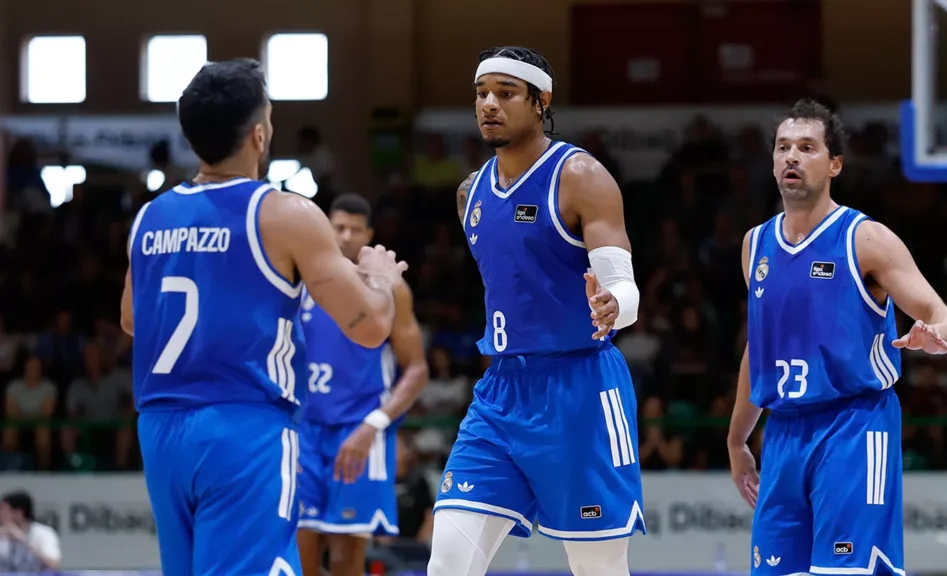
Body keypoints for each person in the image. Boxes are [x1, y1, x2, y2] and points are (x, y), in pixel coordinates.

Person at [120, 58, 407, 576]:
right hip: (242, 427)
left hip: (160, 430)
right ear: (259, 134)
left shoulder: (149, 217)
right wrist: (381, 277)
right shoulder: (283, 213)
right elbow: (370, 327)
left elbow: (132, 320)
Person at [427, 46, 644, 576]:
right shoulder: (470, 193)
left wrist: (614, 304)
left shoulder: (581, 175)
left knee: (597, 569)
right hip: (501, 393)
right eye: (481, 94)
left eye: (506, 93)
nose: (489, 104)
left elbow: (624, 287)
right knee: (448, 562)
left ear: (541, 101)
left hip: (580, 388)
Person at [727, 99, 947, 576]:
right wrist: (737, 439)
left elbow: (945, 315)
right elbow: (761, 347)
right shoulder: (756, 244)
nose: (792, 156)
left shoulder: (865, 239)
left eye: (807, 147)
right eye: (783, 147)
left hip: (854, 426)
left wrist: (936, 335)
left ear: (834, 164)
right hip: (784, 432)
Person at [297, 193, 429, 576]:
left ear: (369, 234)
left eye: (355, 229)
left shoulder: (390, 288)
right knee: (300, 556)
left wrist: (375, 424)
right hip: (304, 430)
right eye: (339, 227)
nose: (346, 236)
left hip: (359, 431)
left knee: (344, 560)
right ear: (326, 227)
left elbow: (417, 370)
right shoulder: (299, 281)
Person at [0, 491, 60, 572]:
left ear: (19, 513)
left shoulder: (43, 534)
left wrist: (24, 541)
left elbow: (54, 565)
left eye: (3, 510)